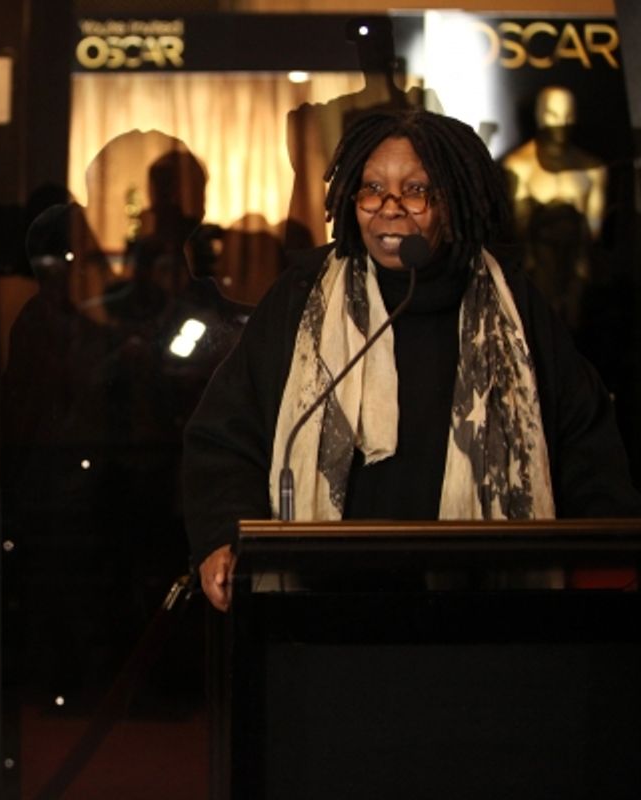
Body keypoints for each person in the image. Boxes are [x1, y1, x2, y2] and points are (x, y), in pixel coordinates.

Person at [183, 108, 641, 611]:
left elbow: (584, 441)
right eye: (372, 189)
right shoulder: (302, 295)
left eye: (416, 190)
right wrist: (224, 535)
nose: (389, 208)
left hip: (480, 615)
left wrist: (610, 562)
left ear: (453, 201)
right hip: (324, 613)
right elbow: (226, 435)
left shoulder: (511, 303)